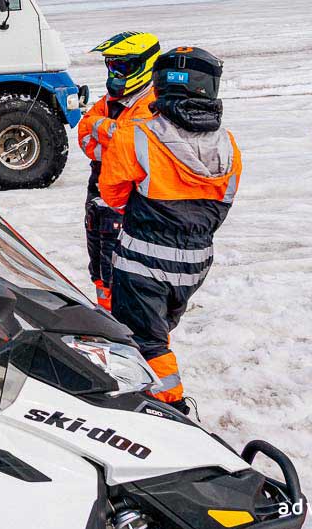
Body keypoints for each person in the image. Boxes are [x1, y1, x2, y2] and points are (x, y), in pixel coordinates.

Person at [100, 47, 239, 415]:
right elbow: (224, 200)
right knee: (157, 334)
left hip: (143, 264)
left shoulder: (136, 136)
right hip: (195, 265)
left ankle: (168, 407)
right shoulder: (228, 144)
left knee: (147, 342)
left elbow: (111, 193)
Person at [76, 31, 161, 311]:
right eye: (111, 66)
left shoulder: (151, 105)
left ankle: (127, 334)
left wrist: (102, 129)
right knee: (100, 272)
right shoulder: (110, 103)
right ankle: (106, 320)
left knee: (121, 275)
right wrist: (111, 135)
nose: (115, 73)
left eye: (122, 67)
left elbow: (131, 143)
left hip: (126, 203)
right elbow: (84, 134)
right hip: (98, 198)